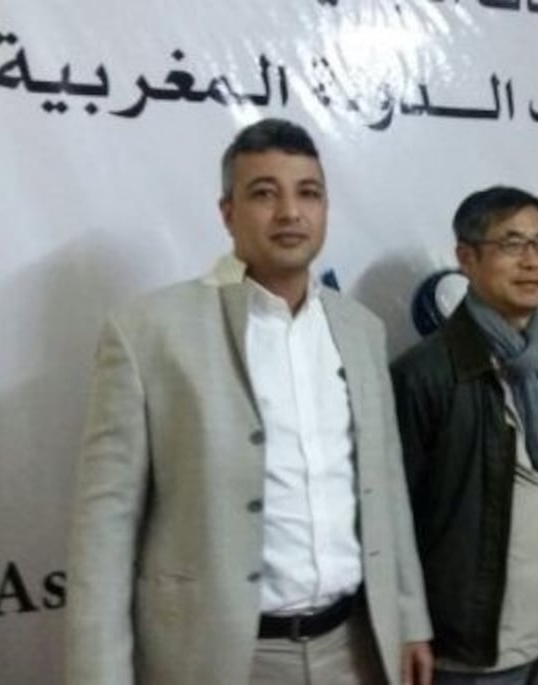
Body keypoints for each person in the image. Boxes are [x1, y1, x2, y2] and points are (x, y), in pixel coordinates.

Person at [65, 118, 433, 685]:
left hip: (355, 649)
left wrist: (410, 620)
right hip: (223, 660)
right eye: (265, 193)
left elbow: (385, 490)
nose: (290, 212)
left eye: (307, 193)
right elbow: (104, 531)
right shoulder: (148, 332)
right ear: (228, 212)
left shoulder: (360, 329)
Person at [390, 186, 538, 685]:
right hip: (471, 647)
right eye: (511, 244)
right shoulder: (425, 373)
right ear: (466, 258)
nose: (532, 262)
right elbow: (395, 516)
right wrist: (410, 626)